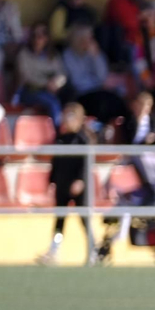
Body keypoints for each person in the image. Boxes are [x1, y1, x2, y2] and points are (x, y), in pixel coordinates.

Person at [35, 102, 96, 265]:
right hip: (62, 184)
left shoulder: (83, 140)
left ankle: (93, 252)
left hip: (79, 188)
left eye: (71, 116)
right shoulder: (60, 139)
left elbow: (86, 164)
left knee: (85, 219)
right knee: (60, 219)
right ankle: (53, 251)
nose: (67, 120)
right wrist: (52, 180)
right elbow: (56, 162)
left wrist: (80, 181)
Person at [14, 23, 66, 126]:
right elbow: (26, 77)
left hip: (51, 90)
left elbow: (62, 74)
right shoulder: (24, 54)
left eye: (43, 34)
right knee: (52, 103)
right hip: (30, 91)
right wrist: (46, 84)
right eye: (35, 34)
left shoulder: (53, 55)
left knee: (70, 96)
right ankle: (58, 133)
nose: (39, 37)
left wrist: (56, 83)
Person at [102, 0, 155, 72]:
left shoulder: (137, 0)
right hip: (125, 45)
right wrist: (142, 18)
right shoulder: (117, 1)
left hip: (139, 41)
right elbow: (129, 25)